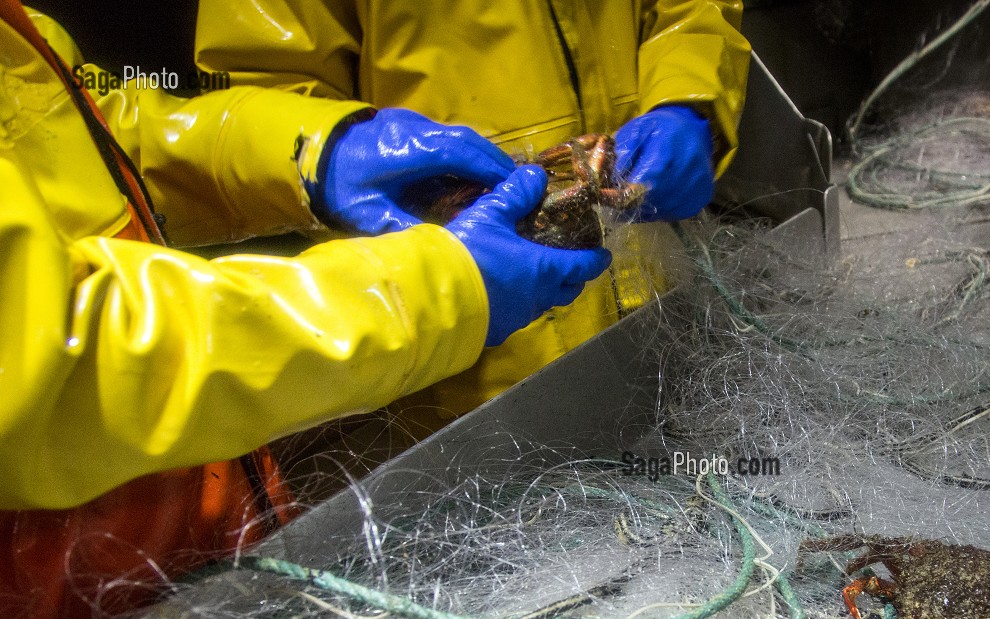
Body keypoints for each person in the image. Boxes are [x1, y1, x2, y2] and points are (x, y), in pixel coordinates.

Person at [0, 1, 611, 619]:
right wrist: (435, 288)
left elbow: (87, 128)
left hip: (205, 542)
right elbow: (60, 353)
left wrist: (316, 147)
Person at [197, 0, 750, 438]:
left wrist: (688, 96)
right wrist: (328, 148)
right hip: (460, 374)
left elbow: (691, 10)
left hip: (655, 301)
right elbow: (249, 97)